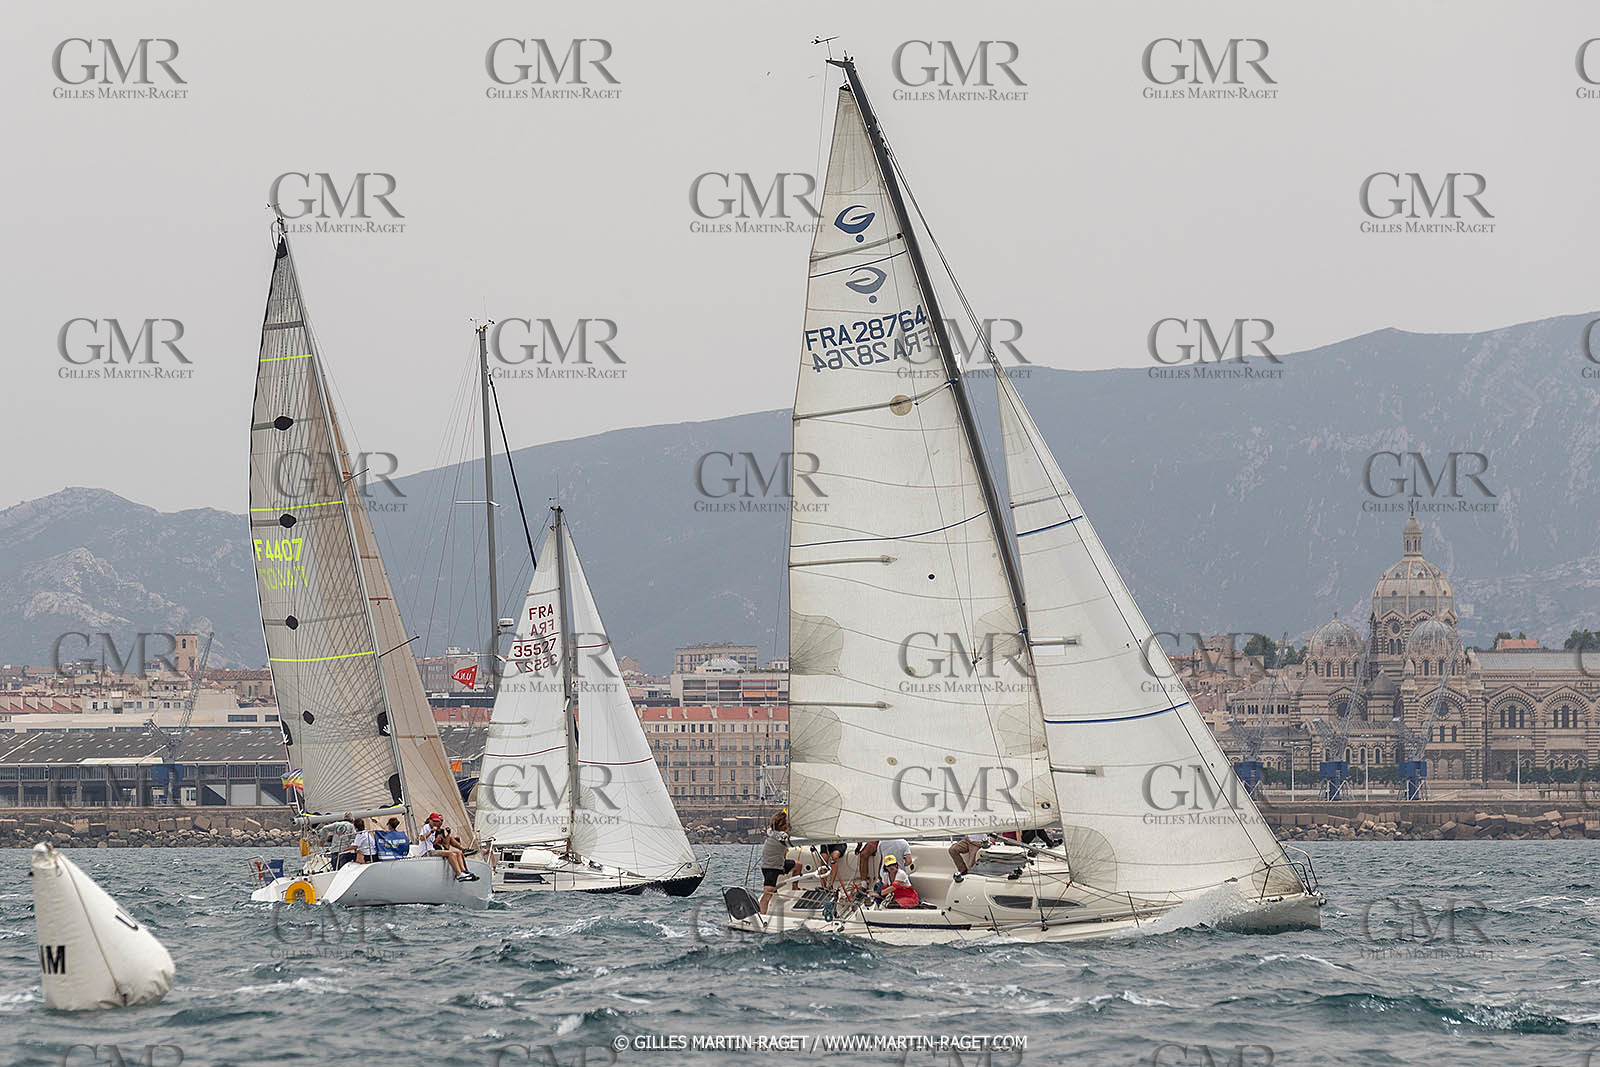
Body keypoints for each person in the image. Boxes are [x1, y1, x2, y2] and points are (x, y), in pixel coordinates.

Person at [758, 810, 795, 916]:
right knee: (767, 895)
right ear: (783, 826)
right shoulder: (782, 837)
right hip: (771, 868)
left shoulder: (771, 832)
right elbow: (790, 842)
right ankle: (762, 915)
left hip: (778, 865)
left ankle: (795, 888)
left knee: (798, 866)